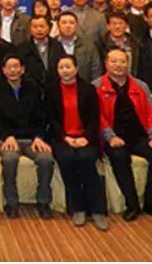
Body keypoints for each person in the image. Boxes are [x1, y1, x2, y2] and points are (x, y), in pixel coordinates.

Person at [93, 49, 152, 223]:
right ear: (106, 64)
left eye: (122, 61)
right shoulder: (96, 86)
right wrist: (110, 137)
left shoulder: (140, 86)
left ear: (128, 64)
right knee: (120, 156)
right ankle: (132, 204)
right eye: (114, 61)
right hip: (112, 137)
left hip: (138, 136)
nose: (118, 65)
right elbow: (97, 117)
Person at [45, 55, 108, 230]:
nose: (65, 71)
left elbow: (94, 118)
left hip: (86, 138)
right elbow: (51, 119)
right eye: (61, 67)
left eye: (68, 67)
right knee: (67, 159)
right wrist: (65, 138)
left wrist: (85, 138)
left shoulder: (88, 89)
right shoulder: (51, 90)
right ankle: (78, 208)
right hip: (62, 138)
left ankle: (97, 211)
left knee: (87, 159)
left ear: (76, 69)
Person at [0, 54, 54, 220]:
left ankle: (43, 201)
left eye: (16, 66)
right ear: (3, 70)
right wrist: (7, 136)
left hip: (32, 139)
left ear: (23, 69)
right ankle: (11, 202)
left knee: (46, 159)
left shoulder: (34, 90)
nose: (13, 70)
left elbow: (41, 117)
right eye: (9, 67)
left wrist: (39, 137)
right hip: (8, 139)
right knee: (10, 159)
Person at [17, 16, 67, 91]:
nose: (39, 29)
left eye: (42, 26)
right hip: (31, 89)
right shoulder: (23, 48)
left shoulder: (57, 45)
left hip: (54, 88)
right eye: (35, 27)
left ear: (48, 28)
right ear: (30, 29)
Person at [56, 12, 102, 82]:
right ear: (58, 25)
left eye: (72, 23)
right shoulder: (52, 44)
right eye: (64, 23)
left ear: (76, 25)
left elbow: (96, 70)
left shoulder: (88, 45)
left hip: (84, 86)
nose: (68, 26)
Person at [98, 12, 141, 77]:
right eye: (114, 23)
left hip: (132, 80)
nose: (117, 27)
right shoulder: (101, 44)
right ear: (108, 26)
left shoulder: (136, 43)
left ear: (126, 26)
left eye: (120, 23)